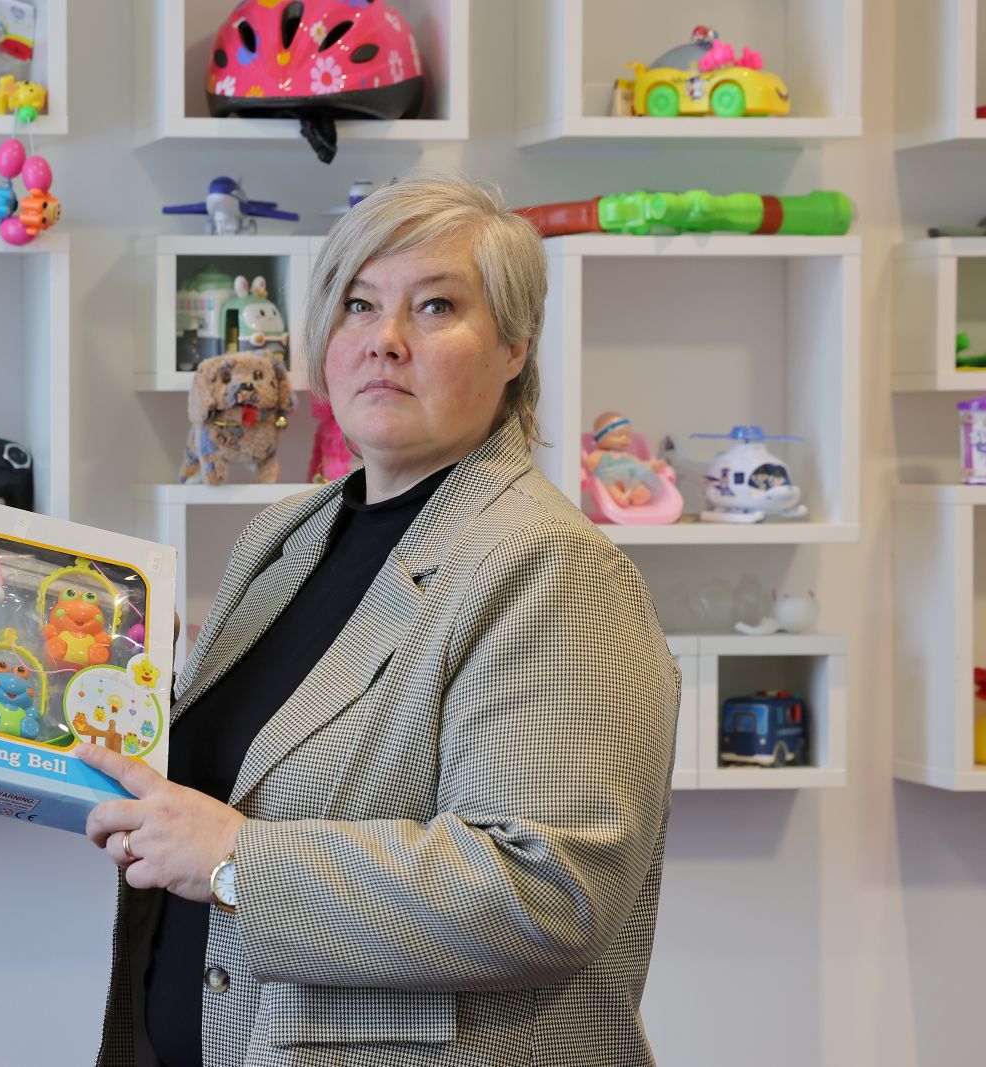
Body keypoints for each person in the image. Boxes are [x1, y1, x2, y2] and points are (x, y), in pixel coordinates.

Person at [78, 174, 680, 1067]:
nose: (384, 339)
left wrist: (237, 860)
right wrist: (111, 699)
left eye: (436, 306)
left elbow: (550, 887)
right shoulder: (284, 535)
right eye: (358, 304)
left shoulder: (550, 564)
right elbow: (244, 786)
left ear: (514, 347)